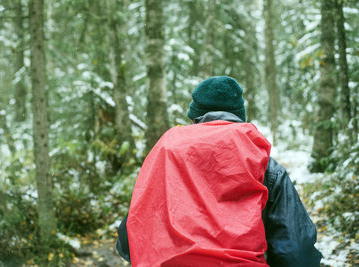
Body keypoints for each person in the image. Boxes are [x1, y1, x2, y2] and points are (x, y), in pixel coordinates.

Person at [116, 76, 322, 266]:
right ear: (239, 117)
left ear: (194, 117)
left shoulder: (166, 155)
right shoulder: (264, 164)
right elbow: (296, 251)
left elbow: (129, 240)